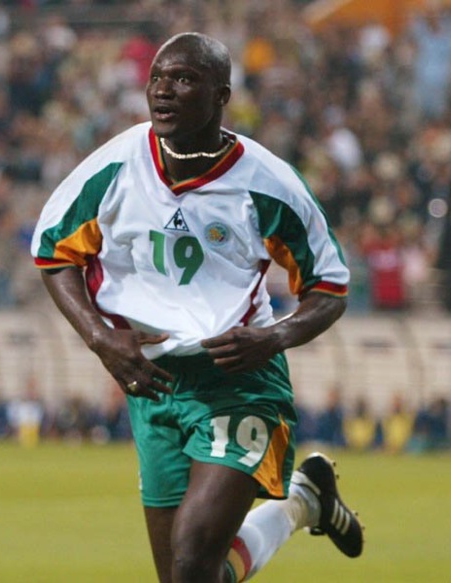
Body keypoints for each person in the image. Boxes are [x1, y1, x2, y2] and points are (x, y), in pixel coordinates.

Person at [30, 32, 363, 582]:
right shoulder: (114, 166)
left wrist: (274, 336)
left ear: (221, 96)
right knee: (191, 578)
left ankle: (300, 499)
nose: (163, 90)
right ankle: (304, 501)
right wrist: (99, 337)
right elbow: (52, 253)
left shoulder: (268, 184)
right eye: (157, 78)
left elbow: (329, 287)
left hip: (237, 379)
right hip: (152, 382)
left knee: (191, 560)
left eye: (184, 79)